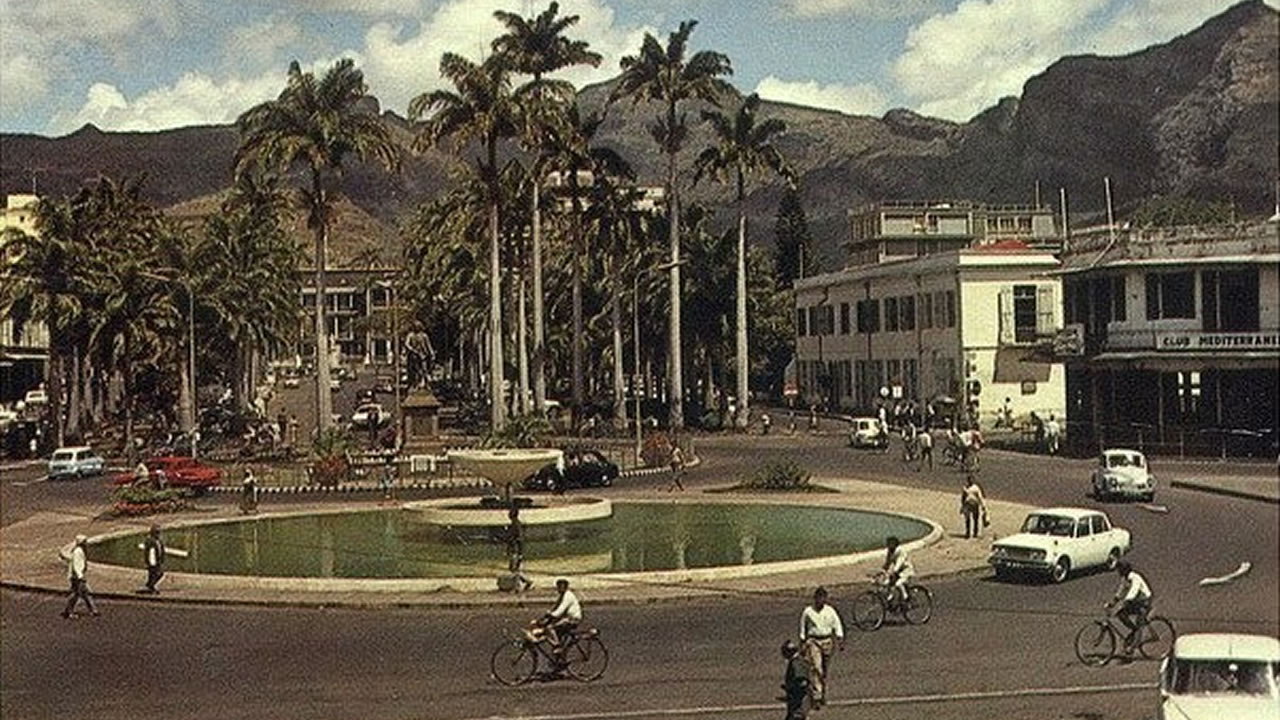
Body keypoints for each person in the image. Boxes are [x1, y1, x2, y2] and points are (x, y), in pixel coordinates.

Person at [799, 586, 844, 706]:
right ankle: (817, 696)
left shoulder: (830, 611)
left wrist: (840, 639)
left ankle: (823, 692)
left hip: (827, 641)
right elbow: (803, 628)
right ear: (815, 599)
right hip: (814, 642)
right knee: (816, 668)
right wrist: (802, 642)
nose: (820, 601)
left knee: (824, 670)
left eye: (823, 598)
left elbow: (837, 625)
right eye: (818, 598)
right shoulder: (808, 611)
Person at [1106, 561, 1153, 652]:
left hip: (1144, 601)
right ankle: (1134, 630)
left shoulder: (1135, 578)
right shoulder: (1125, 579)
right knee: (1121, 614)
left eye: (1120, 570)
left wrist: (1125, 602)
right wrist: (1113, 602)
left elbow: (1133, 591)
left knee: (1139, 622)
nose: (1119, 572)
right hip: (1135, 601)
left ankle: (1133, 646)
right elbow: (1121, 591)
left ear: (1125, 570)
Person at [539, 578, 581, 661]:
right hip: (566, 618)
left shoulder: (568, 596)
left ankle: (557, 646)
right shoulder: (562, 596)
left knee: (550, 628)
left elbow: (559, 611)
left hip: (572, 619)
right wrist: (545, 617)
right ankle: (559, 656)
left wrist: (550, 615)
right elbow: (555, 608)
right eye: (558, 587)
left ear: (565, 587)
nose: (558, 589)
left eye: (560, 587)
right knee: (555, 632)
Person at [62, 534, 98, 618]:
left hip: (77, 576)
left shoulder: (80, 551)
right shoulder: (78, 552)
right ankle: (69, 611)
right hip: (77, 577)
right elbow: (76, 565)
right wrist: (80, 577)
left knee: (85, 593)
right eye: (85, 542)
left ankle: (93, 610)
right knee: (76, 594)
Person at [779, 639, 813, 720]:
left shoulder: (796, 663)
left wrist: (792, 688)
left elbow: (803, 682)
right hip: (798, 702)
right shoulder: (799, 661)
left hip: (799, 702)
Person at [505, 507, 532, 592]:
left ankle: (518, 586)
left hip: (515, 549)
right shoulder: (514, 524)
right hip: (513, 549)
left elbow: (519, 539)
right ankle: (525, 582)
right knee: (513, 569)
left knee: (515, 568)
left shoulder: (516, 525)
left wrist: (520, 553)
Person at [882, 536, 914, 606]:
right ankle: (891, 597)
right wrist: (883, 570)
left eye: (891, 544)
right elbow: (887, 562)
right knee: (888, 583)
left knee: (898, 584)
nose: (889, 545)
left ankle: (906, 596)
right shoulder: (890, 552)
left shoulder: (900, 551)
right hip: (899, 572)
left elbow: (900, 562)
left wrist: (894, 571)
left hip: (906, 571)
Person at [139, 524, 165, 594]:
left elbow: (161, 550)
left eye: (159, 532)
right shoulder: (150, 541)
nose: (158, 534)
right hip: (153, 561)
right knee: (155, 573)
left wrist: (161, 560)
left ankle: (150, 586)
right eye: (157, 532)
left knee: (157, 574)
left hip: (157, 561)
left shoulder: (159, 541)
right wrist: (152, 563)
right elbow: (150, 553)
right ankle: (150, 586)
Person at [960, 475, 988, 539]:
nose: (970, 481)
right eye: (969, 480)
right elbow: (963, 497)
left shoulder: (976, 488)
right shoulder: (965, 488)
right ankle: (968, 533)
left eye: (971, 480)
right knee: (967, 519)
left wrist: (983, 505)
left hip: (975, 504)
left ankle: (975, 532)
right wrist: (962, 506)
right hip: (967, 504)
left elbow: (980, 497)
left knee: (975, 519)